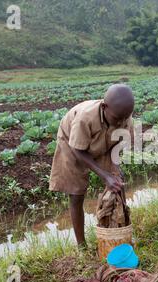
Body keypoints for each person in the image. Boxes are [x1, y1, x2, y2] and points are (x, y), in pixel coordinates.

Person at [49, 84, 134, 248]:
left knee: (118, 182)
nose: (122, 122)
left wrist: (113, 170)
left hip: (104, 142)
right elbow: (78, 150)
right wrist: (104, 175)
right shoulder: (84, 118)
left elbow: (119, 145)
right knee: (76, 193)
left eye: (125, 118)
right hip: (71, 143)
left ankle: (121, 232)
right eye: (117, 119)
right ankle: (82, 246)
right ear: (104, 107)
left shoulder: (124, 117)